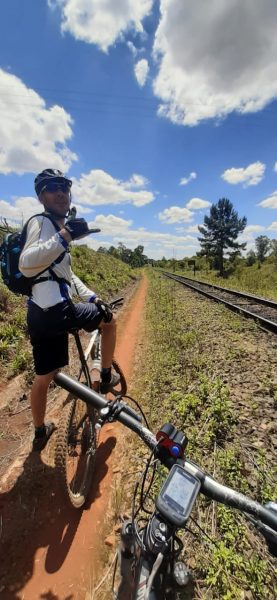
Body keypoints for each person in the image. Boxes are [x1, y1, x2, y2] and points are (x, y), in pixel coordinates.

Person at [19, 168, 119, 451]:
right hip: (56, 311)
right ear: (42, 197)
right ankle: (107, 374)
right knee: (110, 322)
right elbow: (26, 263)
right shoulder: (42, 223)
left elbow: (66, 276)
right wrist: (64, 235)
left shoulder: (52, 228)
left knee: (44, 374)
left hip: (38, 313)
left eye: (64, 186)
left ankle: (40, 431)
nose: (60, 192)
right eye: (52, 188)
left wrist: (93, 297)